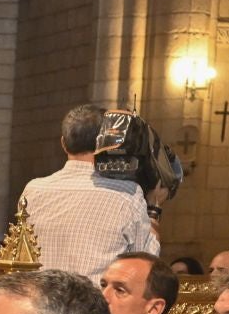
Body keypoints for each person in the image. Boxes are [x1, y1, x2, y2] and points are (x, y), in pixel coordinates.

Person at [22, 104, 158, 278]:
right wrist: (154, 209)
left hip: (40, 302)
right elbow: (146, 264)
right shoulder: (127, 193)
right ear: (106, 142)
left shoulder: (32, 190)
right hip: (94, 304)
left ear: (63, 144)